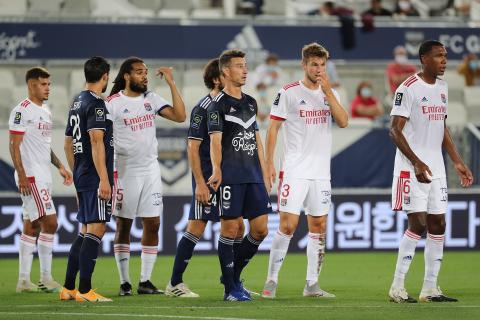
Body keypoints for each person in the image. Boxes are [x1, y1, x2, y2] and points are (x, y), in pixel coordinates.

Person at [388, 40, 473, 303]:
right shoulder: (408, 88)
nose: (444, 60)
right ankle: (397, 287)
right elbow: (394, 130)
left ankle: (430, 288)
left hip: (436, 167)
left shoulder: (443, 88)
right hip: (411, 168)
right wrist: (415, 161)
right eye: (439, 56)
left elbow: (442, 128)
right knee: (419, 223)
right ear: (424, 58)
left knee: (438, 223)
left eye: (445, 56)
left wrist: (457, 160)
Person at [262, 42, 348, 299]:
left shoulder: (331, 94)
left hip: (321, 171)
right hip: (295, 169)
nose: (318, 69)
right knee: (288, 225)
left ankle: (312, 284)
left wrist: (329, 91)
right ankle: (271, 280)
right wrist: (269, 162)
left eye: (322, 65)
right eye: (314, 64)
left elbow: (343, 122)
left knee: (319, 226)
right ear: (304, 65)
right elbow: (273, 128)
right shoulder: (288, 92)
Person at [165, 58, 246, 298]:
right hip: (208, 178)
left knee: (238, 227)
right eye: (225, 74)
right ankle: (175, 283)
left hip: (228, 175)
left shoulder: (231, 104)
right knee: (197, 227)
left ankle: (233, 280)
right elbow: (192, 148)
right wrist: (200, 182)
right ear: (216, 79)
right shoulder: (203, 108)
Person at [107, 57, 186, 296]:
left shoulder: (150, 98)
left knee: (153, 223)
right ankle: (124, 282)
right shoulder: (113, 103)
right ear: (127, 76)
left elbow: (180, 116)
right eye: (139, 72)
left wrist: (172, 83)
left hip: (151, 168)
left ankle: (145, 281)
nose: (145, 76)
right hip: (125, 169)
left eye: (146, 72)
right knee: (124, 225)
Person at [207, 49, 271, 301]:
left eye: (245, 66)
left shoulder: (251, 102)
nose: (245, 70)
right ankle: (230, 289)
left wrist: (266, 171)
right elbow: (214, 142)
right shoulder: (217, 106)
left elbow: (256, 138)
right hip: (231, 175)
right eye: (239, 66)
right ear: (225, 71)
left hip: (253, 173)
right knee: (231, 229)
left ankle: (232, 276)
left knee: (260, 229)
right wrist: (216, 169)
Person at [9, 67, 73, 293]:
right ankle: (45, 278)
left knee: (32, 224)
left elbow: (44, 147)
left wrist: (60, 166)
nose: (48, 88)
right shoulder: (21, 111)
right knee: (51, 222)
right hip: (31, 175)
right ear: (31, 85)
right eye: (43, 84)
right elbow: (14, 145)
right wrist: (23, 175)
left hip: (43, 174)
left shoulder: (45, 110)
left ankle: (24, 280)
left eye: (49, 84)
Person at [60, 56, 113, 302]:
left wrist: (76, 170)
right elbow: (96, 140)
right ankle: (85, 290)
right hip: (95, 175)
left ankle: (69, 288)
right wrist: (104, 178)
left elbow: (68, 143)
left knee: (84, 231)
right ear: (104, 77)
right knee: (96, 229)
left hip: (82, 173)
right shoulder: (96, 103)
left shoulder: (76, 102)